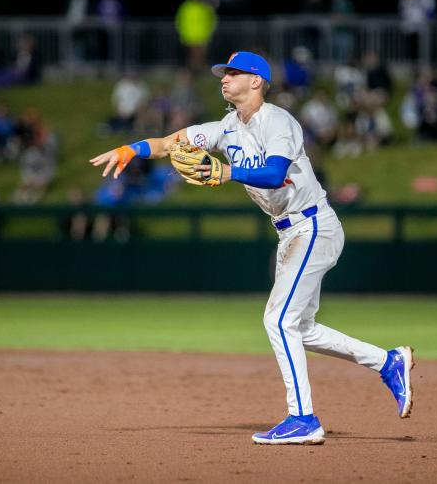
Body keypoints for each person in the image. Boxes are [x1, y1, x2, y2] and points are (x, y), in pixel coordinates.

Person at [90, 51, 415, 446]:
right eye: (223, 74)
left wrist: (225, 171)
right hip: (290, 233)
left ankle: (303, 418)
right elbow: (168, 143)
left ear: (256, 81)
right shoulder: (227, 127)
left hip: (313, 225)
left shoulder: (278, 121)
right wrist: (131, 150)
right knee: (301, 327)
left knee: (278, 320)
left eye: (234, 73)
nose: (224, 79)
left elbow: (275, 173)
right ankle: (387, 361)